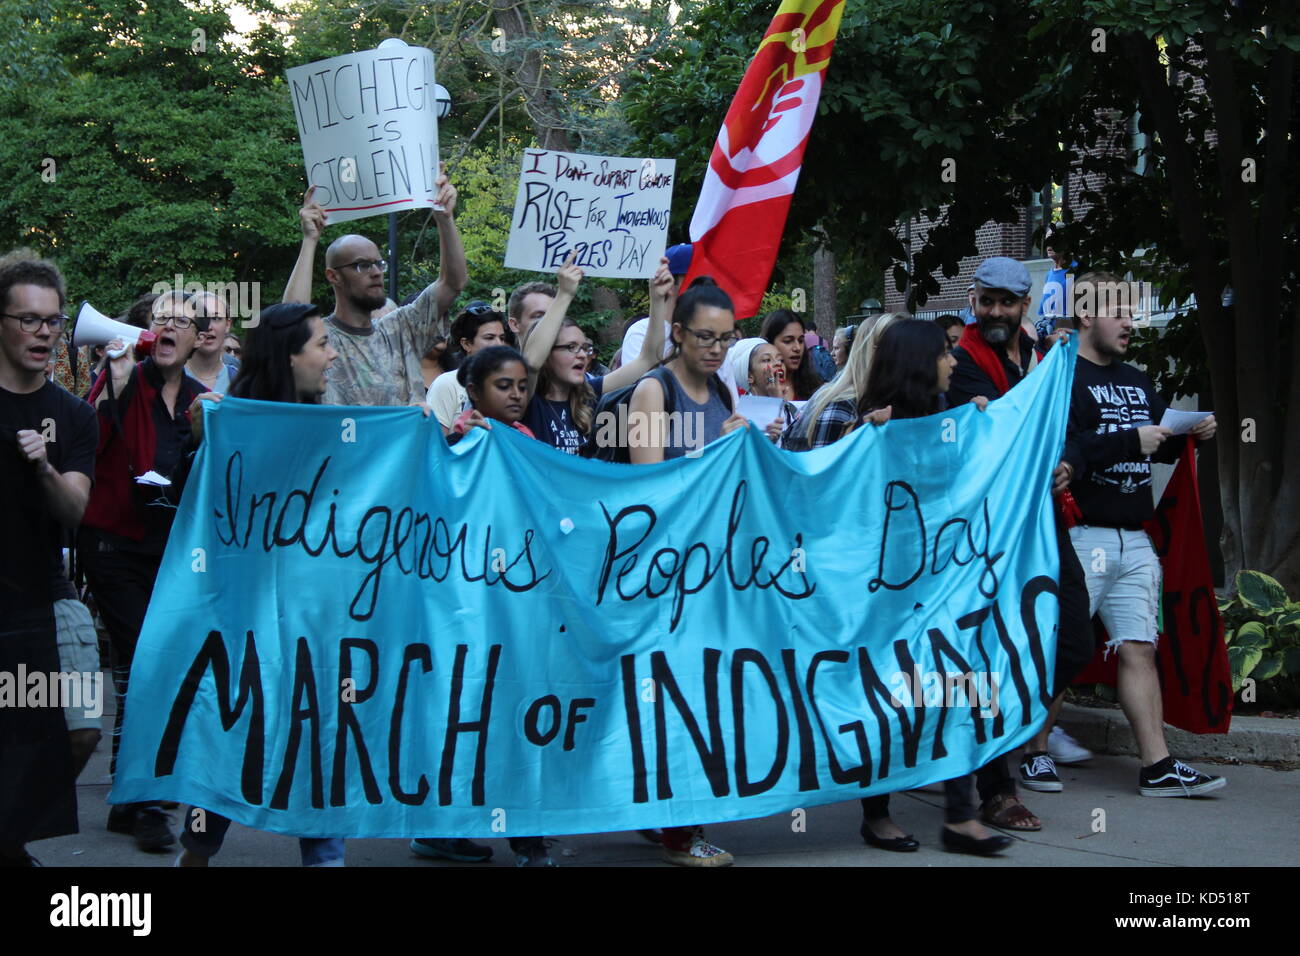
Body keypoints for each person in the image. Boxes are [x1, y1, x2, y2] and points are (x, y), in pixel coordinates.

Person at [176, 302, 346, 866]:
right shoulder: (229, 418)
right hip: (244, 617)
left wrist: (435, 433)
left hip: (318, 616)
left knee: (321, 732)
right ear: (289, 354)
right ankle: (197, 849)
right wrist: (206, 435)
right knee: (241, 729)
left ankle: (326, 858)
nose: (331, 354)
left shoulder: (337, 423)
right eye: (321, 344)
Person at [1056, 271, 1223, 798]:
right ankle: (1033, 753)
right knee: (1061, 648)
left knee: (1138, 648)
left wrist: (1187, 436)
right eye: (1120, 312)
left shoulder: (1136, 378)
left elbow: (1154, 445)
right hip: (1082, 536)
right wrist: (1133, 439)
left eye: (1133, 312)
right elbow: (1063, 454)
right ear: (1086, 314)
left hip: (1135, 536)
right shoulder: (1061, 376)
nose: (1132, 322)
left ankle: (1158, 765)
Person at [942, 256, 1093, 827]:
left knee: (1072, 640)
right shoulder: (961, 365)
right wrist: (1048, 373)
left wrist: (1070, 465)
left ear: (1024, 304)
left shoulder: (1042, 356)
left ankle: (1011, 729)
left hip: (1045, 520)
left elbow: (1073, 430)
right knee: (995, 649)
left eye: (1007, 302)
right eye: (986, 301)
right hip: (990, 529)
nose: (996, 312)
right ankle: (996, 786)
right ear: (974, 300)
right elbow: (1005, 429)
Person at [852, 320, 1008, 855]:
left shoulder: (949, 420)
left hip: (946, 589)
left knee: (964, 688)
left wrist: (983, 431)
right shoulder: (870, 428)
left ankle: (961, 817)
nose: (955, 362)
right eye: (944, 353)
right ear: (919, 363)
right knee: (885, 698)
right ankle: (878, 814)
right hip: (885, 599)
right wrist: (869, 440)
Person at [78, 288, 212, 852]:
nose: (171, 329)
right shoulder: (121, 380)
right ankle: (150, 802)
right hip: (112, 544)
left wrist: (209, 433)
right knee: (147, 659)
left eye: (183, 322)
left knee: (146, 667)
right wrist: (115, 380)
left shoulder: (203, 399)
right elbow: (86, 438)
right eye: (162, 320)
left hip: (171, 551)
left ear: (195, 338)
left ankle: (129, 797)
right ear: (145, 331)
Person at [0, 252, 97, 867]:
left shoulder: (74, 414)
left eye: (53, 322)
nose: (43, 333)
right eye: (29, 320)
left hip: (46, 596)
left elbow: (76, 511)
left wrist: (43, 468)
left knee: (82, 726)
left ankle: (9, 838)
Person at [281, 169, 466, 407]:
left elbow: (453, 283)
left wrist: (445, 218)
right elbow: (290, 318)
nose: (377, 272)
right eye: (362, 265)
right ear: (333, 276)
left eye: (379, 264)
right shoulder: (322, 341)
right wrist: (310, 240)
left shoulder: (402, 329)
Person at [520, 254, 668, 455]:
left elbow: (649, 358)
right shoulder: (527, 400)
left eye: (584, 348)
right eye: (571, 347)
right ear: (547, 355)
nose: (582, 355)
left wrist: (657, 298)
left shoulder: (589, 395)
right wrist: (564, 294)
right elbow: (530, 362)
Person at [783, 312, 907, 452]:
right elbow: (824, 468)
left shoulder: (894, 402)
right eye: (901, 350)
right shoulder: (840, 405)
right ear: (874, 351)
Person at [425, 302, 508, 433]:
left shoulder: (508, 386)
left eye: (502, 338)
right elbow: (435, 446)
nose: (498, 344)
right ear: (466, 344)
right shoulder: (446, 384)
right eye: (489, 337)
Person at [724, 337, 795, 443]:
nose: (778, 363)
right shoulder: (740, 417)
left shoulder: (793, 410)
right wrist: (775, 402)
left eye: (780, 359)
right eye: (767, 360)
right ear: (750, 376)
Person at [762, 309, 824, 400]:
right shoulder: (756, 388)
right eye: (788, 341)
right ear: (770, 343)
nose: (797, 348)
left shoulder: (815, 389)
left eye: (801, 341)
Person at [185, 291, 238, 394]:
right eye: (201, 318)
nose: (209, 327)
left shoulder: (240, 382)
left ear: (227, 325)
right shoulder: (171, 376)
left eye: (216, 318)